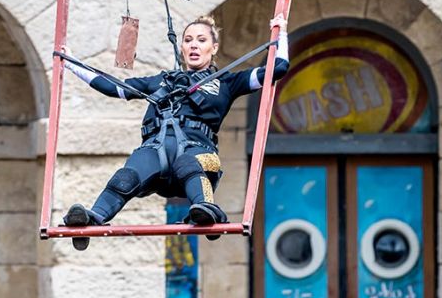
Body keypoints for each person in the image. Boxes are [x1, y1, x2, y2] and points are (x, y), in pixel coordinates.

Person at [61, 14, 290, 250]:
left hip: (198, 154)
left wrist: (280, 32)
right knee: (126, 177)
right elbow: (113, 87)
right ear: (181, 47)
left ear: (214, 47)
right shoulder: (161, 81)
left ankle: (205, 209)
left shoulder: (227, 82)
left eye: (201, 40)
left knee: (187, 164)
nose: (194, 45)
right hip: (155, 151)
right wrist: (70, 62)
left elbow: (279, 68)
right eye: (188, 40)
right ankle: (92, 217)